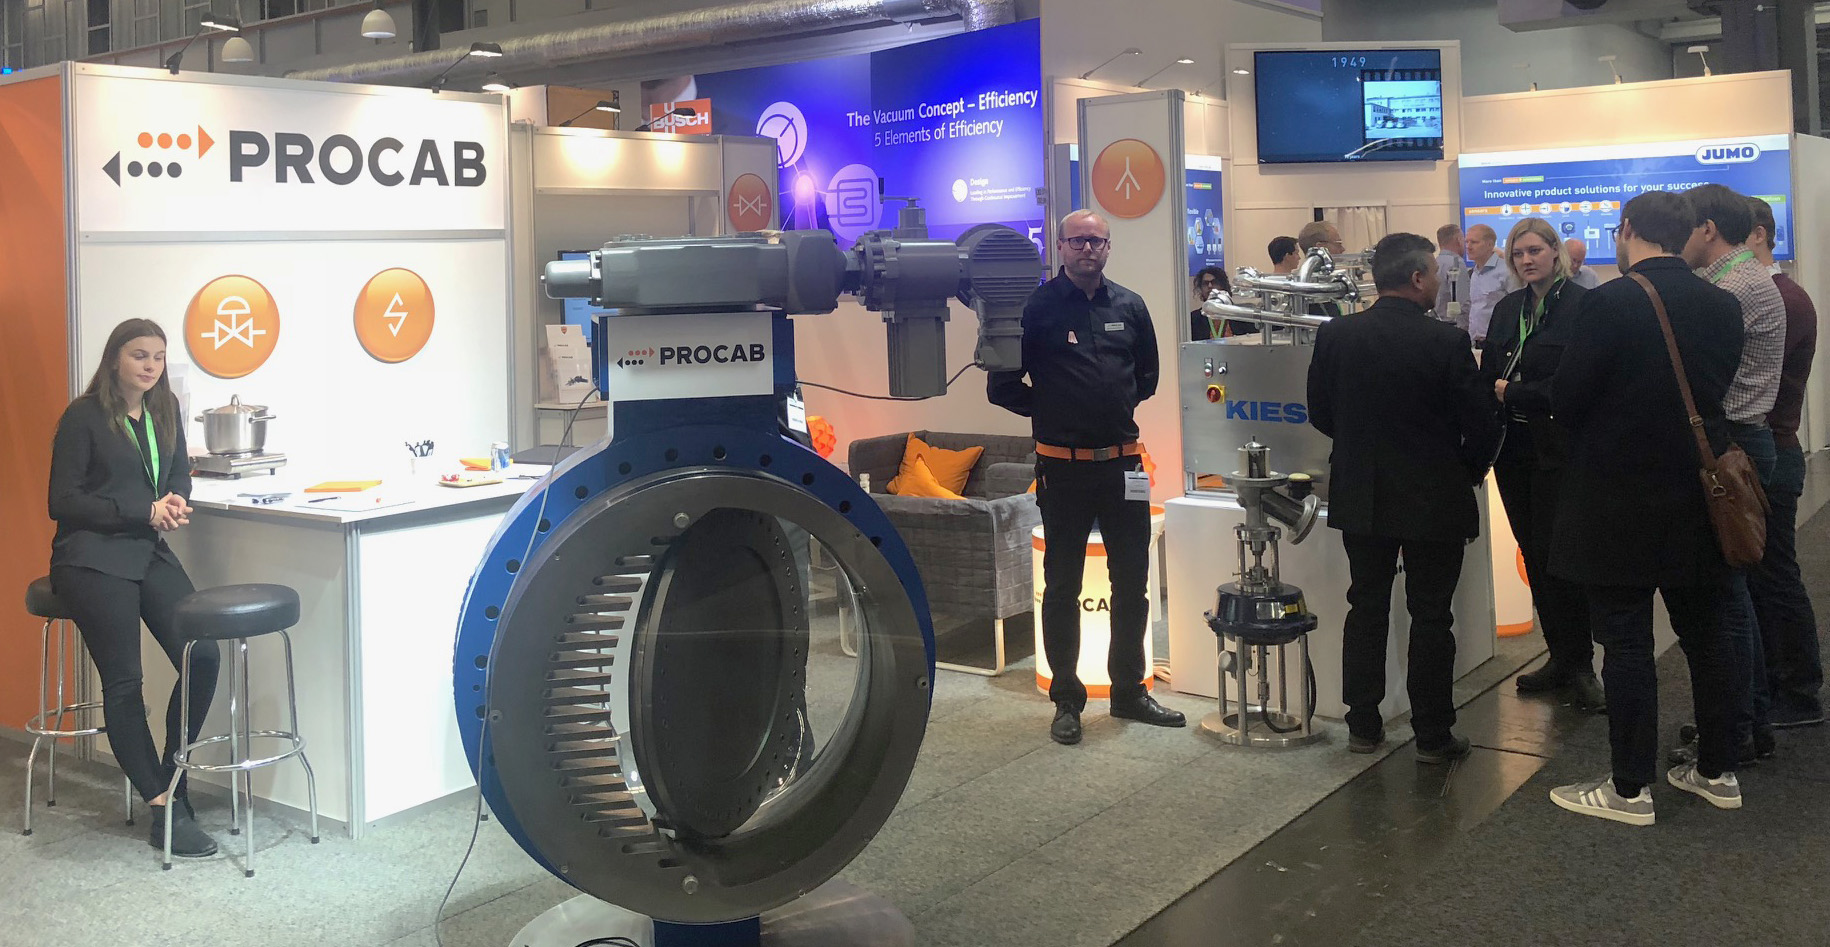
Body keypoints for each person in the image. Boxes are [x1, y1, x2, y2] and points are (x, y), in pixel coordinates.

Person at [1546, 190, 1745, 825]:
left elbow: (1568, 400)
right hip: (1699, 494)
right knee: (1709, 637)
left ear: (1626, 228)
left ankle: (1630, 789)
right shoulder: (1722, 304)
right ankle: (1717, 770)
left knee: (1626, 641)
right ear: (1686, 232)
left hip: (1616, 498)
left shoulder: (1609, 302)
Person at [989, 209, 1184, 745]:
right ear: (1060, 246)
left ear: (1108, 247)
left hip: (1124, 467)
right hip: (1062, 468)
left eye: (1096, 241)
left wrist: (1106, 406)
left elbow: (1147, 377)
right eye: (1077, 241)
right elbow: (1002, 386)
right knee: (1062, 587)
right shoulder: (1036, 308)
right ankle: (1067, 700)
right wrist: (1055, 407)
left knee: (1132, 585)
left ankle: (1128, 692)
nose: (1087, 249)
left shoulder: (1131, 306)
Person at [1306, 232, 1492, 763]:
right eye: (1434, 273)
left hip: (1361, 492)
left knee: (1365, 606)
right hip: (1434, 496)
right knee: (1431, 615)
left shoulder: (1336, 335)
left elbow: (1321, 413)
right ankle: (1433, 734)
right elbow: (1481, 424)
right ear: (1416, 278)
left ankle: (1363, 725)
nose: (1437, 282)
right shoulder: (1446, 342)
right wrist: (1466, 471)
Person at [48, 318, 220, 857]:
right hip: (91, 557)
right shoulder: (84, 416)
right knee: (125, 681)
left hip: (146, 551)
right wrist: (142, 510)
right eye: (139, 355)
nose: (150, 366)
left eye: (158, 357)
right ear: (114, 359)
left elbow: (178, 473)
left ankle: (173, 776)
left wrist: (175, 499)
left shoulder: (164, 409)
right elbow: (62, 501)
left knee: (203, 654)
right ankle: (160, 804)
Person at [1680, 182, 1785, 764]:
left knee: (1729, 599)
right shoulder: (1745, 279)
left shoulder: (1732, 289)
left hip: (1733, 447)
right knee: (1736, 594)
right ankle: (1747, 719)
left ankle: (1740, 728)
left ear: (1708, 229)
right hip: (1745, 442)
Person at [1479, 219, 1601, 711]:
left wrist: (1517, 392)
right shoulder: (1508, 308)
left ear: (1555, 252)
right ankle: (1561, 656)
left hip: (1560, 449)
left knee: (1563, 557)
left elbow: (1581, 384)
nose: (1526, 260)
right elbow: (1488, 374)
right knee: (1532, 553)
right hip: (1513, 449)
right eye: (1518, 253)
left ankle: (1583, 664)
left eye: (1534, 250)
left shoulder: (1583, 306)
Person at [1744, 196, 1822, 728]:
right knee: (1763, 578)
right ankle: (1775, 686)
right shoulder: (1778, 295)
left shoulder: (1782, 299)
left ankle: (1797, 692)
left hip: (1773, 454)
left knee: (1774, 577)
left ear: (1757, 234)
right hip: (1770, 451)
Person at [1465, 224, 1508, 344]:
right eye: (1466, 242)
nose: (1468, 246)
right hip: (1475, 342)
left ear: (1490, 245)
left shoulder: (1506, 271)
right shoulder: (1474, 273)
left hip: (1498, 341)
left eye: (1474, 242)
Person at [1190, 266, 1252, 340]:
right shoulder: (1194, 319)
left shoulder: (1241, 315)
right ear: (1201, 289)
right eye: (1205, 283)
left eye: (1214, 282)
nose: (1210, 286)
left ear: (1223, 285)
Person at [1435, 224, 1470, 330]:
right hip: (1454, 326)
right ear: (1459, 240)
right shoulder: (1456, 263)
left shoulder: (1435, 263)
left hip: (1437, 324)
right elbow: (1463, 302)